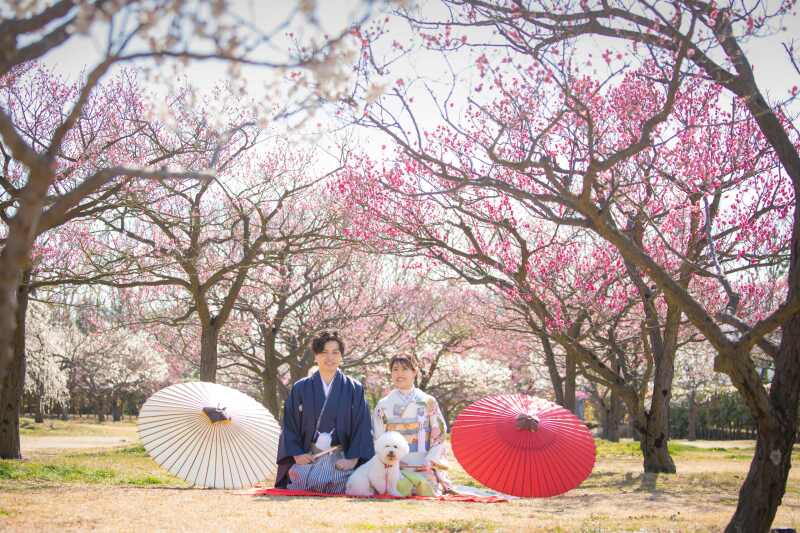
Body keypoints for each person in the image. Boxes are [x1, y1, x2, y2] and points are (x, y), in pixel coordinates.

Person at [274, 331, 374, 493]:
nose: (330, 357)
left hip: (341, 456)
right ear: (315, 356)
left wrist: (353, 458)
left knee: (348, 481)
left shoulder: (354, 388)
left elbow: (362, 425)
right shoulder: (301, 387)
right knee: (304, 480)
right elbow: (290, 423)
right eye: (324, 352)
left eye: (335, 352)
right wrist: (297, 454)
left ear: (341, 356)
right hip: (310, 455)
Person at [372, 353, 452, 496]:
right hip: (393, 464)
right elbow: (378, 437)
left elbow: (439, 434)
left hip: (423, 464)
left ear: (415, 372)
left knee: (424, 488)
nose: (399, 374)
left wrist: (430, 460)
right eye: (395, 369)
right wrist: (390, 460)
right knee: (398, 487)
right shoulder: (384, 404)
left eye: (404, 369)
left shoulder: (428, 401)